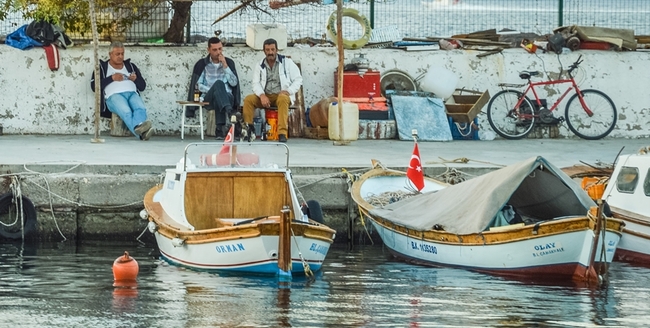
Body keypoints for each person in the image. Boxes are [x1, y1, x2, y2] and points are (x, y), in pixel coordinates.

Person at [90, 41, 153, 140]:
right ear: (110, 54)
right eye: (117, 54)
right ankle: (141, 133)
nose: (120, 56)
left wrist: (135, 79)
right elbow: (94, 87)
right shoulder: (102, 67)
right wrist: (112, 78)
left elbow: (142, 86)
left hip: (132, 94)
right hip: (114, 96)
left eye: (122, 54)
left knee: (140, 109)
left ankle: (141, 132)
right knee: (126, 112)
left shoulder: (131, 66)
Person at [243, 38, 302, 143]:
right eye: (268, 50)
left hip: (281, 95)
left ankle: (282, 133)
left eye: (272, 49)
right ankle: (249, 130)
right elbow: (255, 83)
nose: (270, 52)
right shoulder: (259, 65)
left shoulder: (287, 62)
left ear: (277, 50)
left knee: (283, 99)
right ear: (264, 51)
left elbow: (298, 79)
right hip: (265, 96)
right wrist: (261, 95)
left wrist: (288, 91)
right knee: (248, 99)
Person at [187, 37, 240, 139]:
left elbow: (234, 83)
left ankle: (219, 131)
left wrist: (225, 66)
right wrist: (213, 89)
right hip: (208, 98)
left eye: (220, 49)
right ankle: (230, 113)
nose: (218, 52)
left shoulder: (229, 63)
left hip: (227, 97)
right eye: (215, 50)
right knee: (218, 84)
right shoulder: (203, 65)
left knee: (219, 96)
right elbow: (198, 85)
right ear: (208, 50)